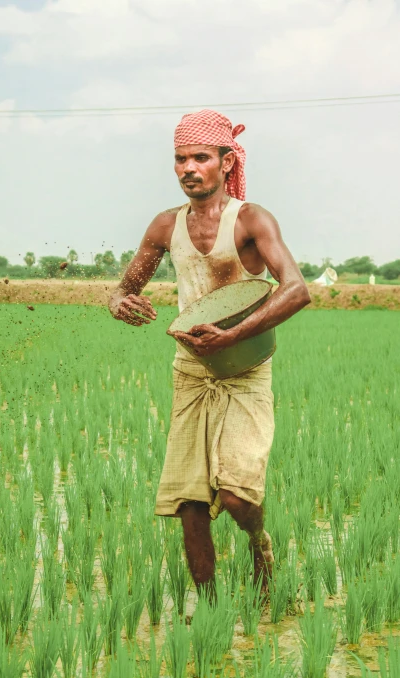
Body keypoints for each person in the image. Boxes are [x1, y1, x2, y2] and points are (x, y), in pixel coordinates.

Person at [109, 109, 310, 600]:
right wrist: (119, 301)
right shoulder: (165, 226)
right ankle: (210, 606)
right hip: (192, 372)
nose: (188, 168)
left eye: (200, 157)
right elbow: (124, 287)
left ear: (226, 161)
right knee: (190, 500)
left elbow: (297, 290)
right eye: (180, 159)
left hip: (245, 371)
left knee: (239, 497)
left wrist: (234, 334)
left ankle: (258, 541)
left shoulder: (250, 219)